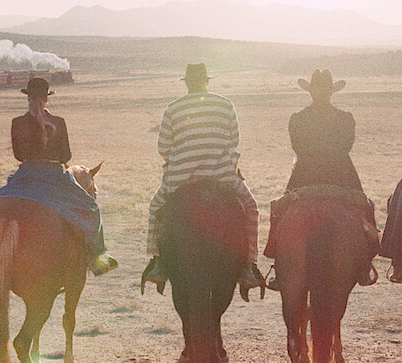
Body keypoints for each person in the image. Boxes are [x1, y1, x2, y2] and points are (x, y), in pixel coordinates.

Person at [0, 78, 117, 276]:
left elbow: (18, 155)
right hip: (54, 175)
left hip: (26, 175)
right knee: (91, 207)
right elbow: (66, 157)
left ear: (29, 99)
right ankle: (97, 258)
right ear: (46, 100)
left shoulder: (18, 123)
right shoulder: (58, 122)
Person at [143, 64, 262, 295]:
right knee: (251, 207)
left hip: (180, 178)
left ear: (187, 83)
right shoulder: (225, 105)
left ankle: (157, 262)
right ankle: (248, 265)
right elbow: (234, 140)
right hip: (222, 175)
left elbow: (163, 147)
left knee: (155, 207)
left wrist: (182, 160)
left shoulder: (173, 109)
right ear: (207, 81)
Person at [265, 69, 378, 289]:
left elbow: (297, 148)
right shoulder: (346, 118)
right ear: (332, 92)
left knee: (281, 211)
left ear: (310, 92)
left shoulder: (297, 119)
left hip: (305, 174)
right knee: (365, 208)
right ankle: (365, 266)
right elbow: (346, 147)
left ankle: (279, 266)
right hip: (342, 175)